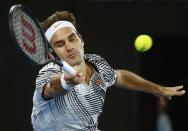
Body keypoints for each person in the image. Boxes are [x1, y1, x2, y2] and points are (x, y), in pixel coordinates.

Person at [31, 11, 185, 131]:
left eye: (72, 39)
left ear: (81, 39)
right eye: (60, 44)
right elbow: (51, 88)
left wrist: (157, 89)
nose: (69, 46)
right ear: (51, 53)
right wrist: (66, 81)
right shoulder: (49, 70)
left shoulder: (97, 64)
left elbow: (120, 77)